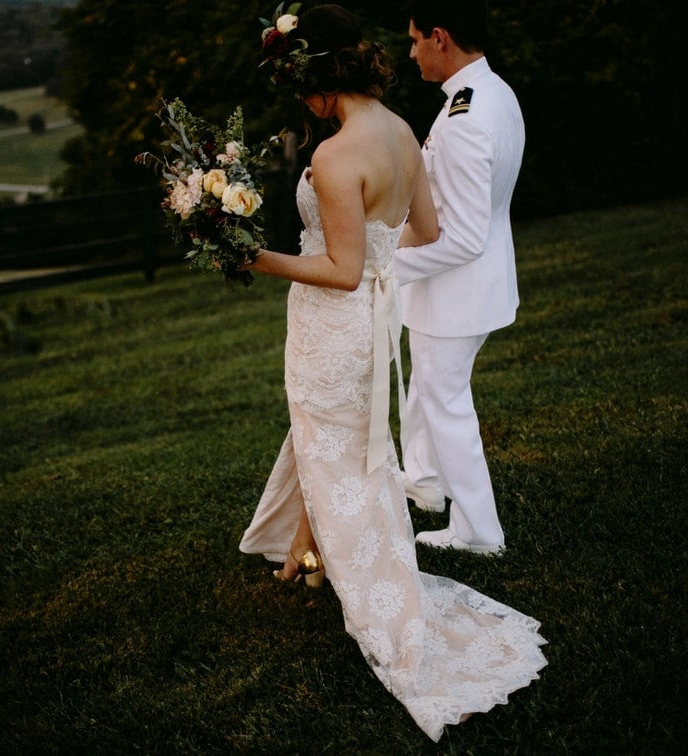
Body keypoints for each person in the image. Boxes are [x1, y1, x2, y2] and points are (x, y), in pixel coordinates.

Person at [239, 3, 545, 741]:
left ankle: (355, 578)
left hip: (334, 323)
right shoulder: (404, 130)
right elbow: (428, 230)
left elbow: (340, 271)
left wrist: (251, 258)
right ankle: (299, 555)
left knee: (333, 442)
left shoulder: (337, 155)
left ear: (315, 82)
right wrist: (379, 263)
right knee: (334, 440)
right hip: (372, 325)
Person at [395, 0, 525, 556]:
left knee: (447, 405)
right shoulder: (494, 92)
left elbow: (464, 237)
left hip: (455, 296)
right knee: (427, 393)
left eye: (414, 39)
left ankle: (478, 530)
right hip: (476, 285)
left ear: (440, 37)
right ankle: (424, 484)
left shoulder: (463, 119)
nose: (411, 52)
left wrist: (386, 268)